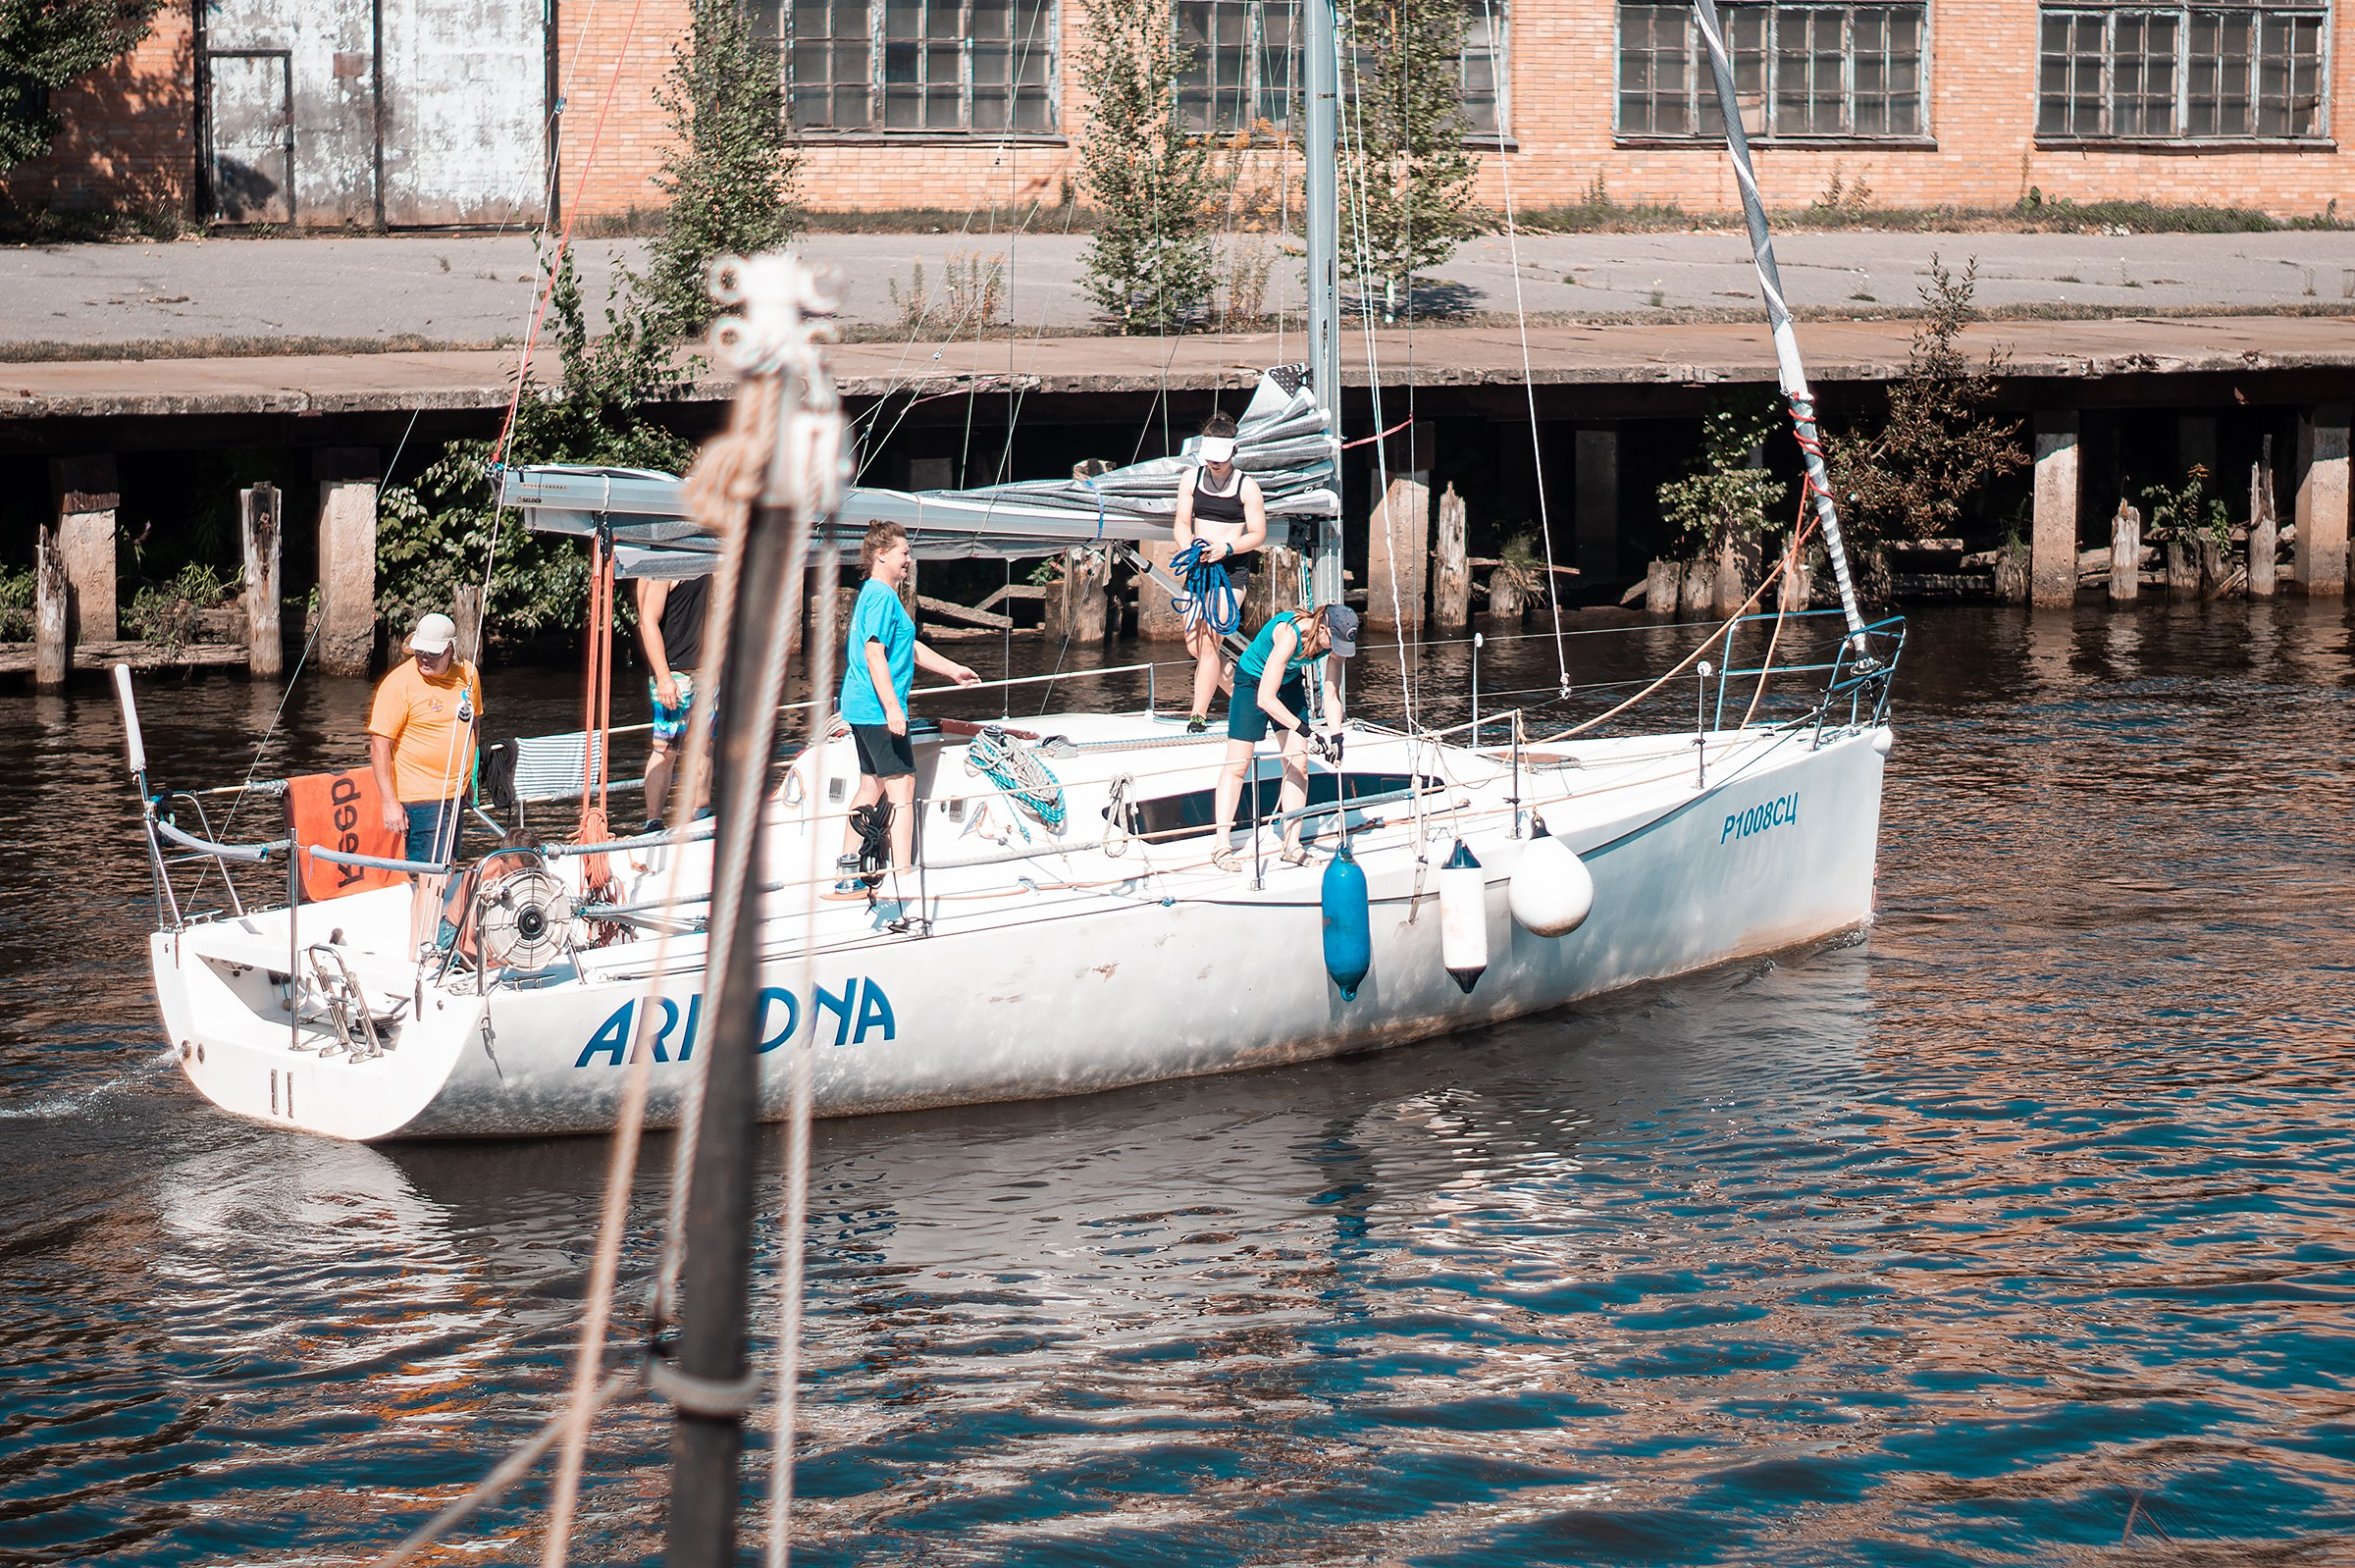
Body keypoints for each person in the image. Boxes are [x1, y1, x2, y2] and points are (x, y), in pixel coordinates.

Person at [837, 521, 981, 886]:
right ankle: (903, 875)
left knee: (871, 785)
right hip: (875, 708)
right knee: (902, 789)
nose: (909, 560)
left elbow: (909, 647)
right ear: (881, 555)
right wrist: (892, 708)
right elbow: (874, 654)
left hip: (860, 706)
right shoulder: (882, 597)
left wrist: (953, 670)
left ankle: (847, 869)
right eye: (904, 553)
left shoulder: (873, 593)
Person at [1209, 602, 1359, 870]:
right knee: (1238, 765)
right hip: (1253, 682)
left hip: (1289, 684)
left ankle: (1292, 844)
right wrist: (1305, 729)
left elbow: (1331, 693)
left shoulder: (1334, 644)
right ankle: (1222, 845)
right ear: (1322, 628)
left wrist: (1337, 737)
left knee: (1297, 763)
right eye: (1332, 643)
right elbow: (1266, 698)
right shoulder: (1289, 634)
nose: (1333, 650)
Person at [1170, 411, 1268, 734]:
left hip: (1230, 573)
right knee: (1195, 646)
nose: (1215, 464)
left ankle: (1198, 714)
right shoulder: (1191, 479)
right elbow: (1182, 523)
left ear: (1234, 452)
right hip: (1198, 569)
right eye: (1211, 458)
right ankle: (1255, 699)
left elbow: (1257, 535)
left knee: (1211, 643)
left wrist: (1226, 548)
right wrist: (1190, 548)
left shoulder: (1247, 487)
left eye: (1221, 459)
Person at [368, 611, 484, 865]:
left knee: (448, 867)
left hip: (455, 792)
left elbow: (472, 725)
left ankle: (445, 906)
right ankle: (427, 907)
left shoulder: (468, 676)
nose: (424, 658)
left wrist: (470, 779)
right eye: (420, 651)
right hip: (422, 794)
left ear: (451, 650)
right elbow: (379, 746)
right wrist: (390, 803)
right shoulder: (398, 684)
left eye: (433, 653)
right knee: (431, 876)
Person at [633, 571, 710, 831]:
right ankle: (653, 821)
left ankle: (701, 811)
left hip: (704, 669)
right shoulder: (663, 568)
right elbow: (647, 621)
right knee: (666, 748)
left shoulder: (703, 558)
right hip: (675, 672)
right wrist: (664, 677)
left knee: (705, 743)